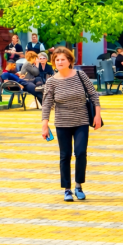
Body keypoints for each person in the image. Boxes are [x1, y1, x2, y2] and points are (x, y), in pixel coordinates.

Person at [41, 47, 103, 202]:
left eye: (63, 59)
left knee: (81, 153)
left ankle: (78, 185)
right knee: (65, 155)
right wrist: (44, 124)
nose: (59, 62)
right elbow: (47, 103)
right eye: (57, 59)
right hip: (62, 122)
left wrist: (97, 115)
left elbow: (93, 95)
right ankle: (67, 189)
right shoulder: (51, 81)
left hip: (81, 120)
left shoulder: (80, 75)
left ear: (69, 60)